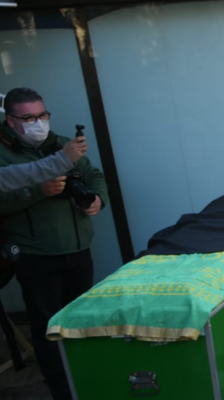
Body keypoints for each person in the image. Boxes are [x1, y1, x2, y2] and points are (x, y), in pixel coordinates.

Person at [0, 88, 108, 400]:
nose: (39, 123)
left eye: (43, 115)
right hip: (35, 255)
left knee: (82, 321)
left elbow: (95, 176)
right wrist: (39, 191)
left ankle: (89, 379)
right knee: (49, 327)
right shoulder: (5, 152)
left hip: (77, 249)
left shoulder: (62, 144)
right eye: (29, 118)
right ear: (10, 120)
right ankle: (61, 389)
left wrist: (98, 199)